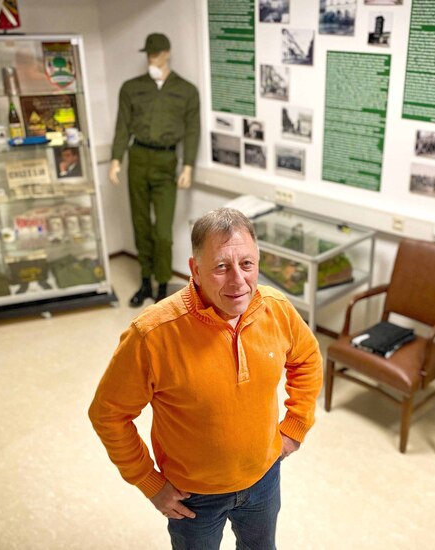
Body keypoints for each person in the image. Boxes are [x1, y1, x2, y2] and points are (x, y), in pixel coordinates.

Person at [89, 207, 323, 549]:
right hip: (192, 497)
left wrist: (295, 426)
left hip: (264, 479)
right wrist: (148, 481)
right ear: (195, 270)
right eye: (221, 267)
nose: (238, 281)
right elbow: (108, 414)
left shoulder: (277, 309)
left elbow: (307, 358)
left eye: (247, 264)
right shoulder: (152, 334)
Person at [109, 33, 200, 306]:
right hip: (138, 157)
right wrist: (115, 159)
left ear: (167, 53)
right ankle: (145, 281)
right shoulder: (131, 88)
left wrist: (188, 165)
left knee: (162, 232)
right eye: (149, 53)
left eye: (158, 53)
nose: (153, 58)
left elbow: (193, 131)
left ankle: (162, 286)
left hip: (166, 162)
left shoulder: (186, 91)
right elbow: (122, 126)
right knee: (140, 224)